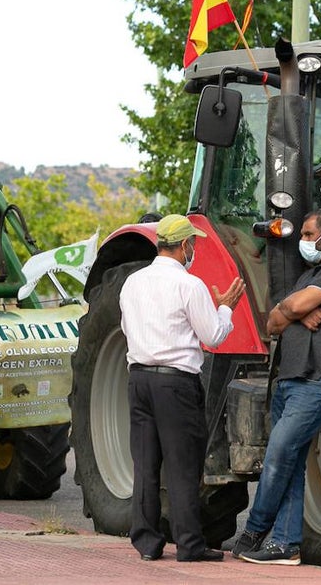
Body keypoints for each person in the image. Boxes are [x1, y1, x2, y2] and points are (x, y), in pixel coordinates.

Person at [233, 208, 321, 566]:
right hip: (291, 379)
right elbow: (273, 321)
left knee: (278, 453)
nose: (304, 242)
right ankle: (285, 544)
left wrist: (294, 307)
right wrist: (298, 311)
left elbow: (290, 306)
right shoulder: (311, 274)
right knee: (290, 461)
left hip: (320, 380)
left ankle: (255, 530)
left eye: (308, 234)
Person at [120, 213, 245, 563]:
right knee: (182, 465)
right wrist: (226, 308)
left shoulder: (132, 282)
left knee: (145, 464)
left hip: (139, 378)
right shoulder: (189, 285)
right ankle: (189, 545)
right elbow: (213, 336)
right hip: (175, 382)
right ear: (186, 245)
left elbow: (127, 329)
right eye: (194, 245)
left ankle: (147, 542)